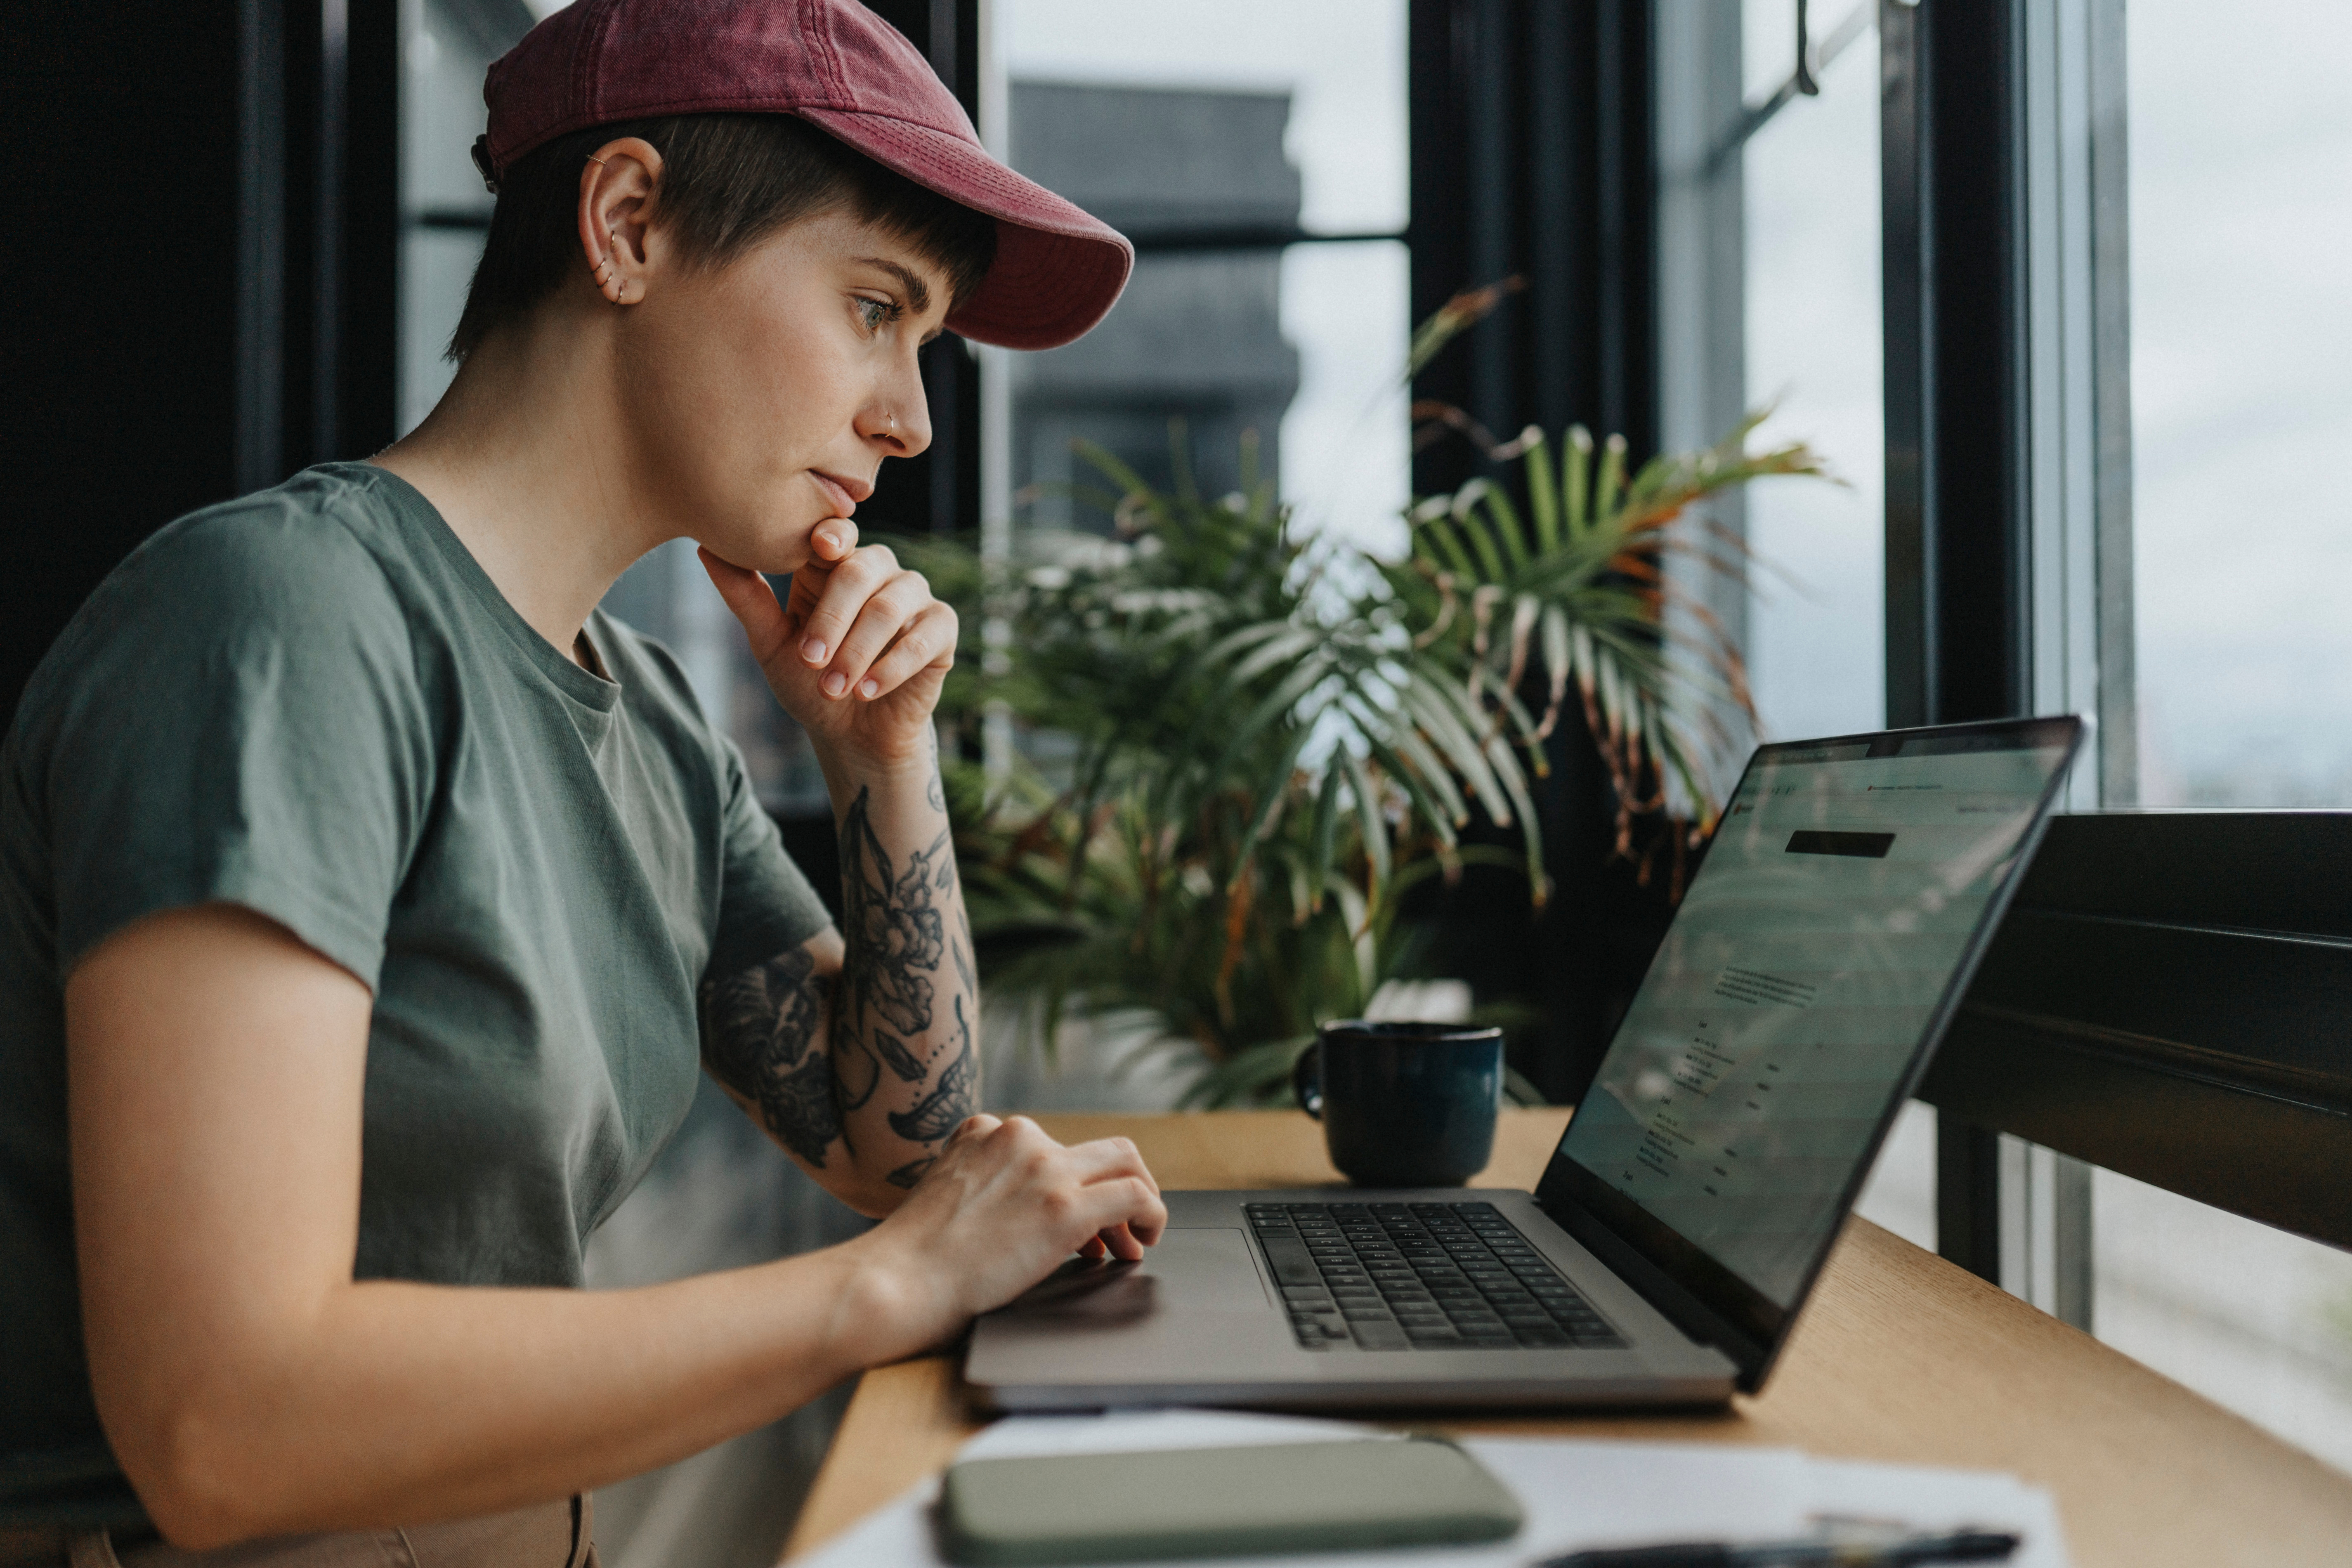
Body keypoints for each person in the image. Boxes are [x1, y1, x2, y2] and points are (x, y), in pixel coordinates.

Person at [0, 2, 1167, 1562]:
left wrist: (885, 759)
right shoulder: (280, 623)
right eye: (876, 307)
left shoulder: (657, 721)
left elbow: (895, 1145)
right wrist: (881, 1293)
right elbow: (227, 1426)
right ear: (626, 226)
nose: (910, 418)